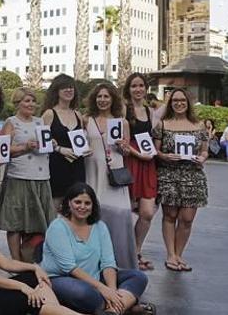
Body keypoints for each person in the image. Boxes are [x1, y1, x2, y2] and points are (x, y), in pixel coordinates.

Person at [42, 183, 154, 315]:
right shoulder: (58, 227)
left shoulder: (100, 226)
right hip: (60, 278)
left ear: (93, 205)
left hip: (94, 277)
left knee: (138, 276)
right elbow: (69, 267)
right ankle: (126, 306)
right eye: (77, 202)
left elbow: (108, 262)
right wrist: (103, 289)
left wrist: (112, 291)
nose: (82, 207)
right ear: (69, 203)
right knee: (84, 293)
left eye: (87, 203)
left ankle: (112, 310)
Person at [0, 87, 55, 261]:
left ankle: (30, 257)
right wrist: (24, 147)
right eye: (27, 101)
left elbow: (46, 144)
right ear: (17, 103)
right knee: (15, 222)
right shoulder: (11, 122)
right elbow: (2, 150)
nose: (31, 104)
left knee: (39, 222)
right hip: (19, 176)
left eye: (33, 101)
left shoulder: (40, 121)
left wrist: (52, 143)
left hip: (41, 176)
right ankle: (15, 261)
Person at [153, 88, 208, 273]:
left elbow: (204, 150)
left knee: (187, 219)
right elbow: (156, 151)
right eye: (175, 100)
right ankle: (171, 255)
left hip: (193, 175)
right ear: (170, 103)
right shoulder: (162, 124)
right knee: (170, 216)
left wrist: (202, 157)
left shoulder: (199, 125)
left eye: (182, 100)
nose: (179, 103)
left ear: (188, 102)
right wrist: (165, 157)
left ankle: (179, 253)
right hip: (169, 175)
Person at [84, 83, 137, 270]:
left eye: (106, 97)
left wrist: (124, 146)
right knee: (95, 216)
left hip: (115, 171)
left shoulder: (122, 122)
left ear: (113, 99)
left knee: (119, 215)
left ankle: (121, 263)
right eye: (99, 96)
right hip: (92, 170)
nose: (102, 100)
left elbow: (127, 151)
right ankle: (94, 263)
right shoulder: (86, 120)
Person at [121, 73, 158, 271]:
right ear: (128, 89)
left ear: (145, 88)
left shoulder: (150, 111)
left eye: (141, 85)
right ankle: (126, 254)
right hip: (130, 161)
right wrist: (137, 153)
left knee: (147, 212)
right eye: (134, 86)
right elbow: (121, 140)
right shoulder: (123, 110)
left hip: (147, 164)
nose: (138, 89)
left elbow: (153, 137)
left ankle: (136, 250)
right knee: (125, 212)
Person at [42, 74, 89, 208]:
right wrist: (60, 149)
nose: (69, 90)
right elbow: (42, 141)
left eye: (71, 87)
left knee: (75, 207)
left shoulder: (77, 114)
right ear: (56, 91)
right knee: (54, 208)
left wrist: (86, 148)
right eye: (64, 88)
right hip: (56, 166)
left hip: (77, 167)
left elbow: (80, 140)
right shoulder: (49, 114)